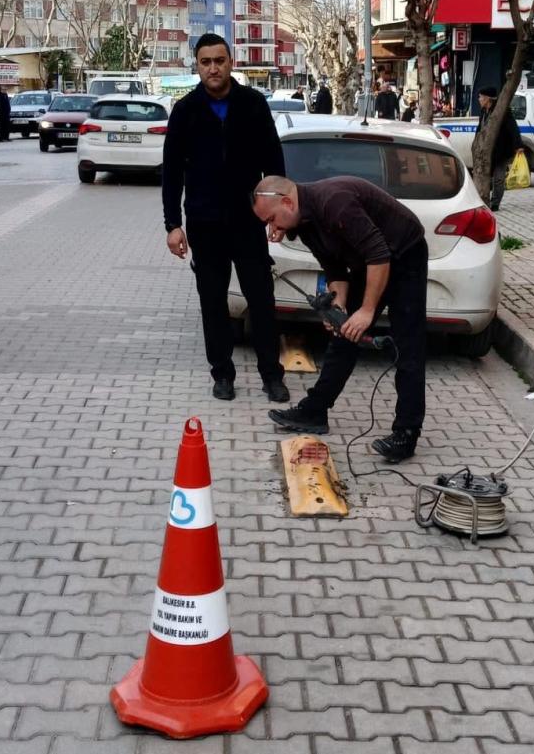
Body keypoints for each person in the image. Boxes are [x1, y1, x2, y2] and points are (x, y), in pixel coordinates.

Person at [253, 174, 428, 461]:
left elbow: (379, 255)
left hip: (403, 255)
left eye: (272, 219)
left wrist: (367, 311)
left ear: (287, 202)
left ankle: (406, 433)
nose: (273, 229)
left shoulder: (334, 202)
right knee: (343, 335)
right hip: (369, 262)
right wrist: (340, 308)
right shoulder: (305, 223)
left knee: (407, 345)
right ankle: (315, 411)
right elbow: (334, 268)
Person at [163, 33, 289, 403]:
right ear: (197, 66)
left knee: (261, 300)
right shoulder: (185, 111)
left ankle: (272, 375)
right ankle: (222, 374)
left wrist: (277, 214)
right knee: (213, 303)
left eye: (220, 60)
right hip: (204, 224)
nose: (213, 68)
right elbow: (171, 172)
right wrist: (173, 225)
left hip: (248, 222)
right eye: (206, 62)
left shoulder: (253, 104)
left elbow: (274, 162)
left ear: (231, 62)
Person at [475, 87, 524, 212]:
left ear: (487, 99)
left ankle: (495, 204)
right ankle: (483, 200)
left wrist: (518, 145)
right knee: (485, 177)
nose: (479, 99)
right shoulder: (484, 111)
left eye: (480, 97)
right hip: (487, 151)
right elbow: (480, 128)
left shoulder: (502, 111)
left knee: (498, 178)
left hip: (501, 150)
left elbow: (513, 127)